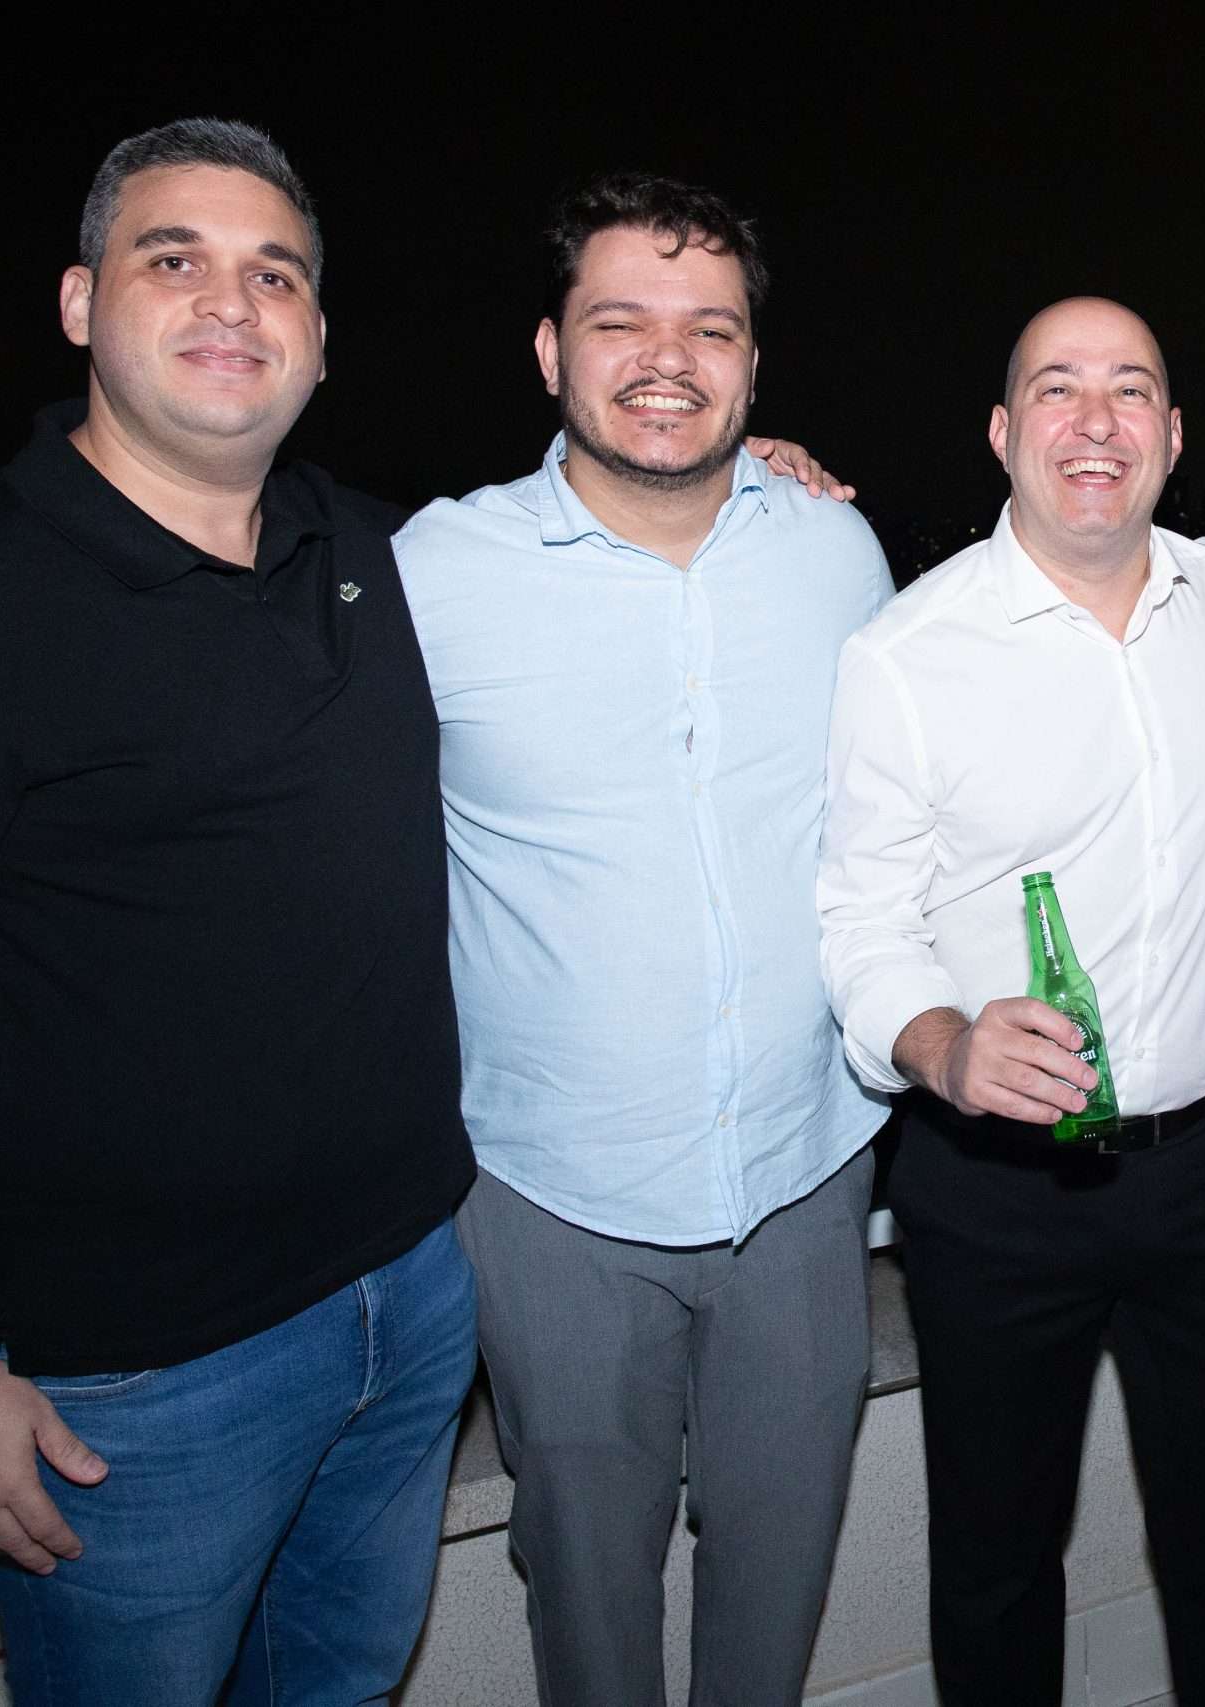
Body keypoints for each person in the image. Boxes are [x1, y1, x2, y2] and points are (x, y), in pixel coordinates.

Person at [0, 119, 480, 1703]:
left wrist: (758, 479)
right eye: (176, 259)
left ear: (318, 340)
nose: (231, 300)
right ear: (82, 303)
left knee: (343, 1689)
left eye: (274, 274)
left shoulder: (379, 553)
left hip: (417, 1296)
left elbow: (604, 532)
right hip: (137, 1390)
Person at [393, 173, 892, 1705]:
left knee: (779, 1590)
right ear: (553, 350)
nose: (667, 359)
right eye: (621, 322)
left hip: (806, 1178)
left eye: (710, 328)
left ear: (754, 364)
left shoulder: (837, 553)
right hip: (554, 1204)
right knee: (589, 1605)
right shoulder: (433, 577)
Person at [817, 297, 1205, 1705]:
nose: (1096, 421)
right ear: (1003, 431)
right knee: (999, 1566)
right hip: (996, 1193)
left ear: (1173, 435)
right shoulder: (906, 653)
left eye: (1130, 389)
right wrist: (944, 1044)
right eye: (1058, 390)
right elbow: (859, 921)